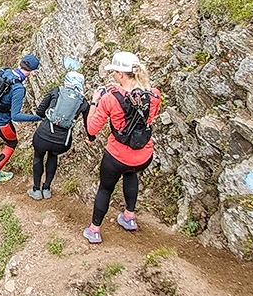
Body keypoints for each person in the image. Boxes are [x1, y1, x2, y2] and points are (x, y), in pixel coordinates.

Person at [83, 52, 161, 244]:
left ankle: (94, 230)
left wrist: (95, 101)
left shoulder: (110, 99)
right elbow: (141, 109)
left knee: (105, 189)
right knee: (130, 174)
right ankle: (129, 217)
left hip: (117, 156)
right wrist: (119, 90)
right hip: (143, 155)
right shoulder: (154, 95)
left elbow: (91, 128)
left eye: (115, 73)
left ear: (120, 74)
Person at [0, 54, 42, 183]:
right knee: (12, 143)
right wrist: (37, 117)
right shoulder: (18, 88)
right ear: (32, 72)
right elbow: (15, 116)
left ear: (20, 63)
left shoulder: (4, 71)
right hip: (2, 124)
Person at [28, 70, 91, 200]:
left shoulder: (56, 91)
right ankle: (46, 188)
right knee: (53, 157)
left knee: (38, 157)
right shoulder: (83, 102)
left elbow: (40, 111)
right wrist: (91, 138)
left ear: (66, 82)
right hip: (63, 141)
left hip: (43, 135)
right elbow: (88, 125)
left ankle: (36, 189)